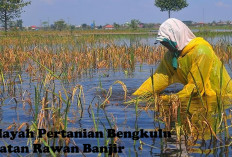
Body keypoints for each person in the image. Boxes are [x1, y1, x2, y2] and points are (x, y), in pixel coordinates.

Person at [133, 18, 232, 99]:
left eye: (167, 42)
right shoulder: (172, 56)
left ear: (177, 37)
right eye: (163, 42)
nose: (164, 45)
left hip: (221, 97)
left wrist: (169, 98)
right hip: (201, 97)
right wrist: (138, 95)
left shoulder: (201, 52)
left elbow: (196, 87)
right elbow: (159, 77)